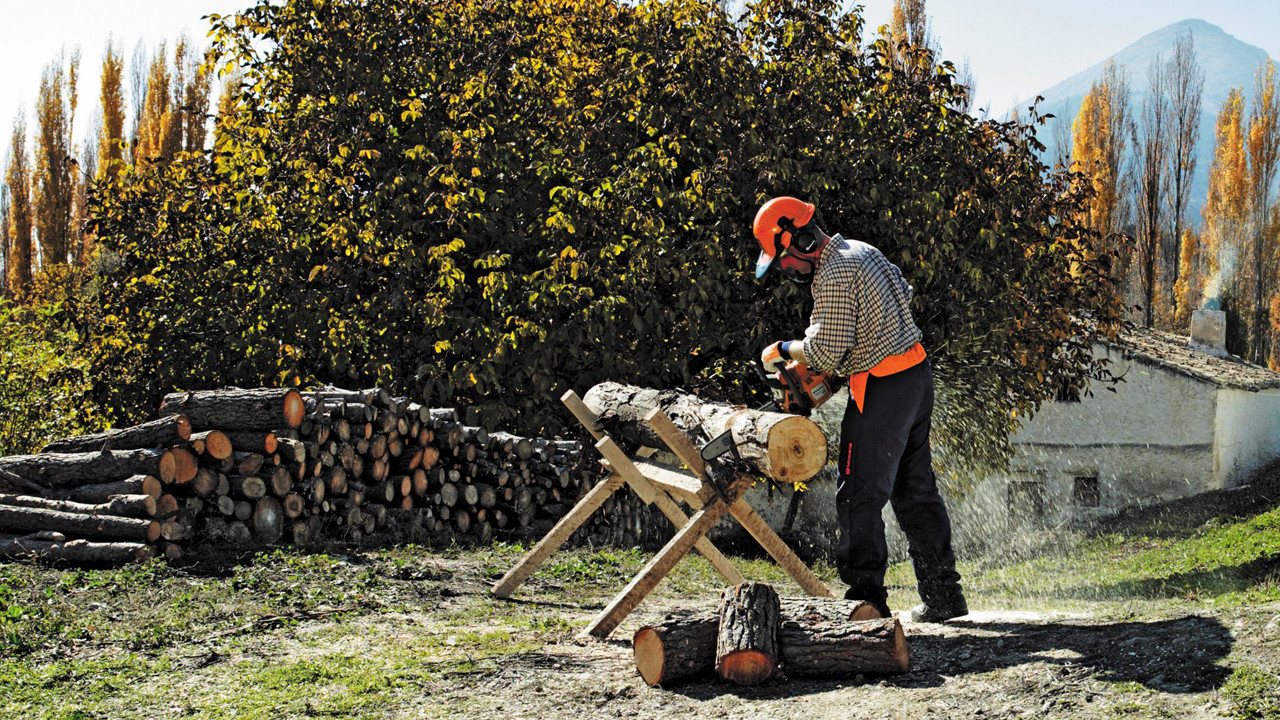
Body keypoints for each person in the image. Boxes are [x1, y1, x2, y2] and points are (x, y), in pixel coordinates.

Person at [753, 196, 967, 623]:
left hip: (884, 386)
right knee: (914, 490)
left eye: (785, 262)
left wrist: (781, 349)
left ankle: (865, 602)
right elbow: (900, 294)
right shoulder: (863, 249)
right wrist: (848, 361)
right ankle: (944, 596)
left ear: (802, 239)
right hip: (916, 376)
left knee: (858, 494)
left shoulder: (832, 272)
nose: (789, 272)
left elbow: (824, 350)